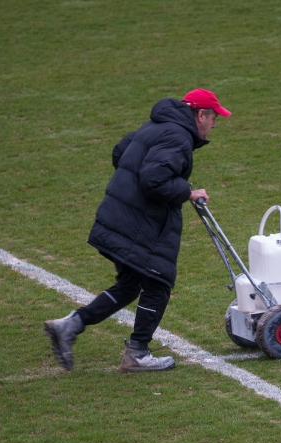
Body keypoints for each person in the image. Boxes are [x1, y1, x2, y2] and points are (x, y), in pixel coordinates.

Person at [44, 88, 231, 373]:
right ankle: (137, 354)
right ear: (201, 114)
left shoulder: (156, 125)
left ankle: (70, 325)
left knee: (131, 283)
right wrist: (186, 192)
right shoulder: (179, 135)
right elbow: (153, 180)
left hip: (120, 216)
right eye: (214, 117)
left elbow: (121, 153)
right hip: (138, 223)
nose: (214, 125)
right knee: (158, 282)